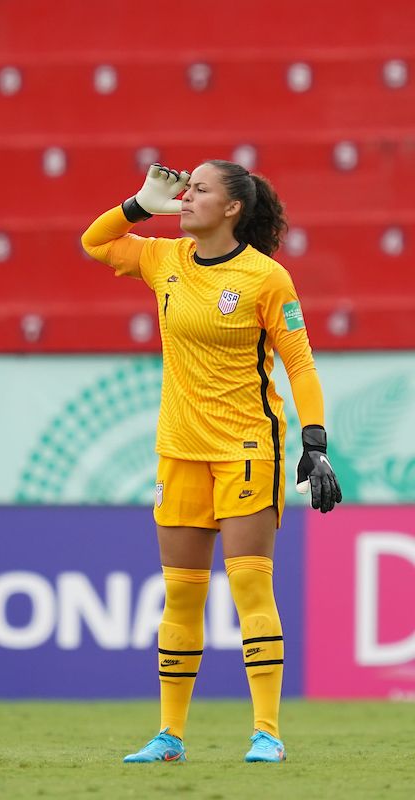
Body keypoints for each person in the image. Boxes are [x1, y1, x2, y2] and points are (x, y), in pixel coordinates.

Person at [81, 160, 341, 764]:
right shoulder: (163, 259)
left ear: (232, 210)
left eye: (199, 190)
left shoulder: (265, 279)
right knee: (181, 595)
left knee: (250, 586)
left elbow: (298, 363)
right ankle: (170, 736)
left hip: (246, 448)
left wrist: (316, 440)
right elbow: (95, 242)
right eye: (185, 188)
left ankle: (268, 733)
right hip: (179, 450)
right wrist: (139, 206)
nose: (185, 197)